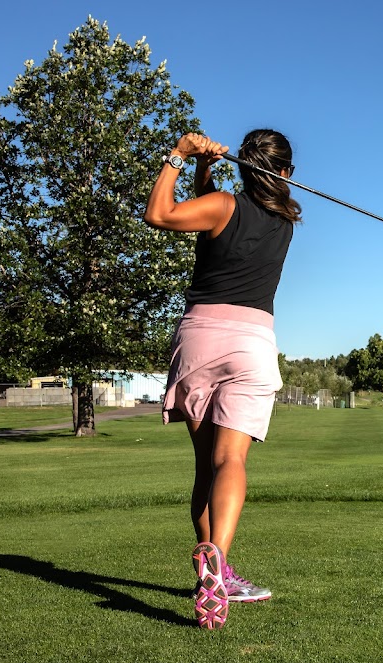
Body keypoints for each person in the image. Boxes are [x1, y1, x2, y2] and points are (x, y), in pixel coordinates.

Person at [143, 129, 300, 629]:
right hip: (253, 340)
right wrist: (204, 171)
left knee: (204, 468)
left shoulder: (223, 205)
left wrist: (180, 155)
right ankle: (219, 563)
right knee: (230, 459)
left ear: (242, 166)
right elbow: (211, 209)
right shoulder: (285, 222)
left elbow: (161, 214)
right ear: (286, 174)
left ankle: (213, 569)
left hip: (201, 336)